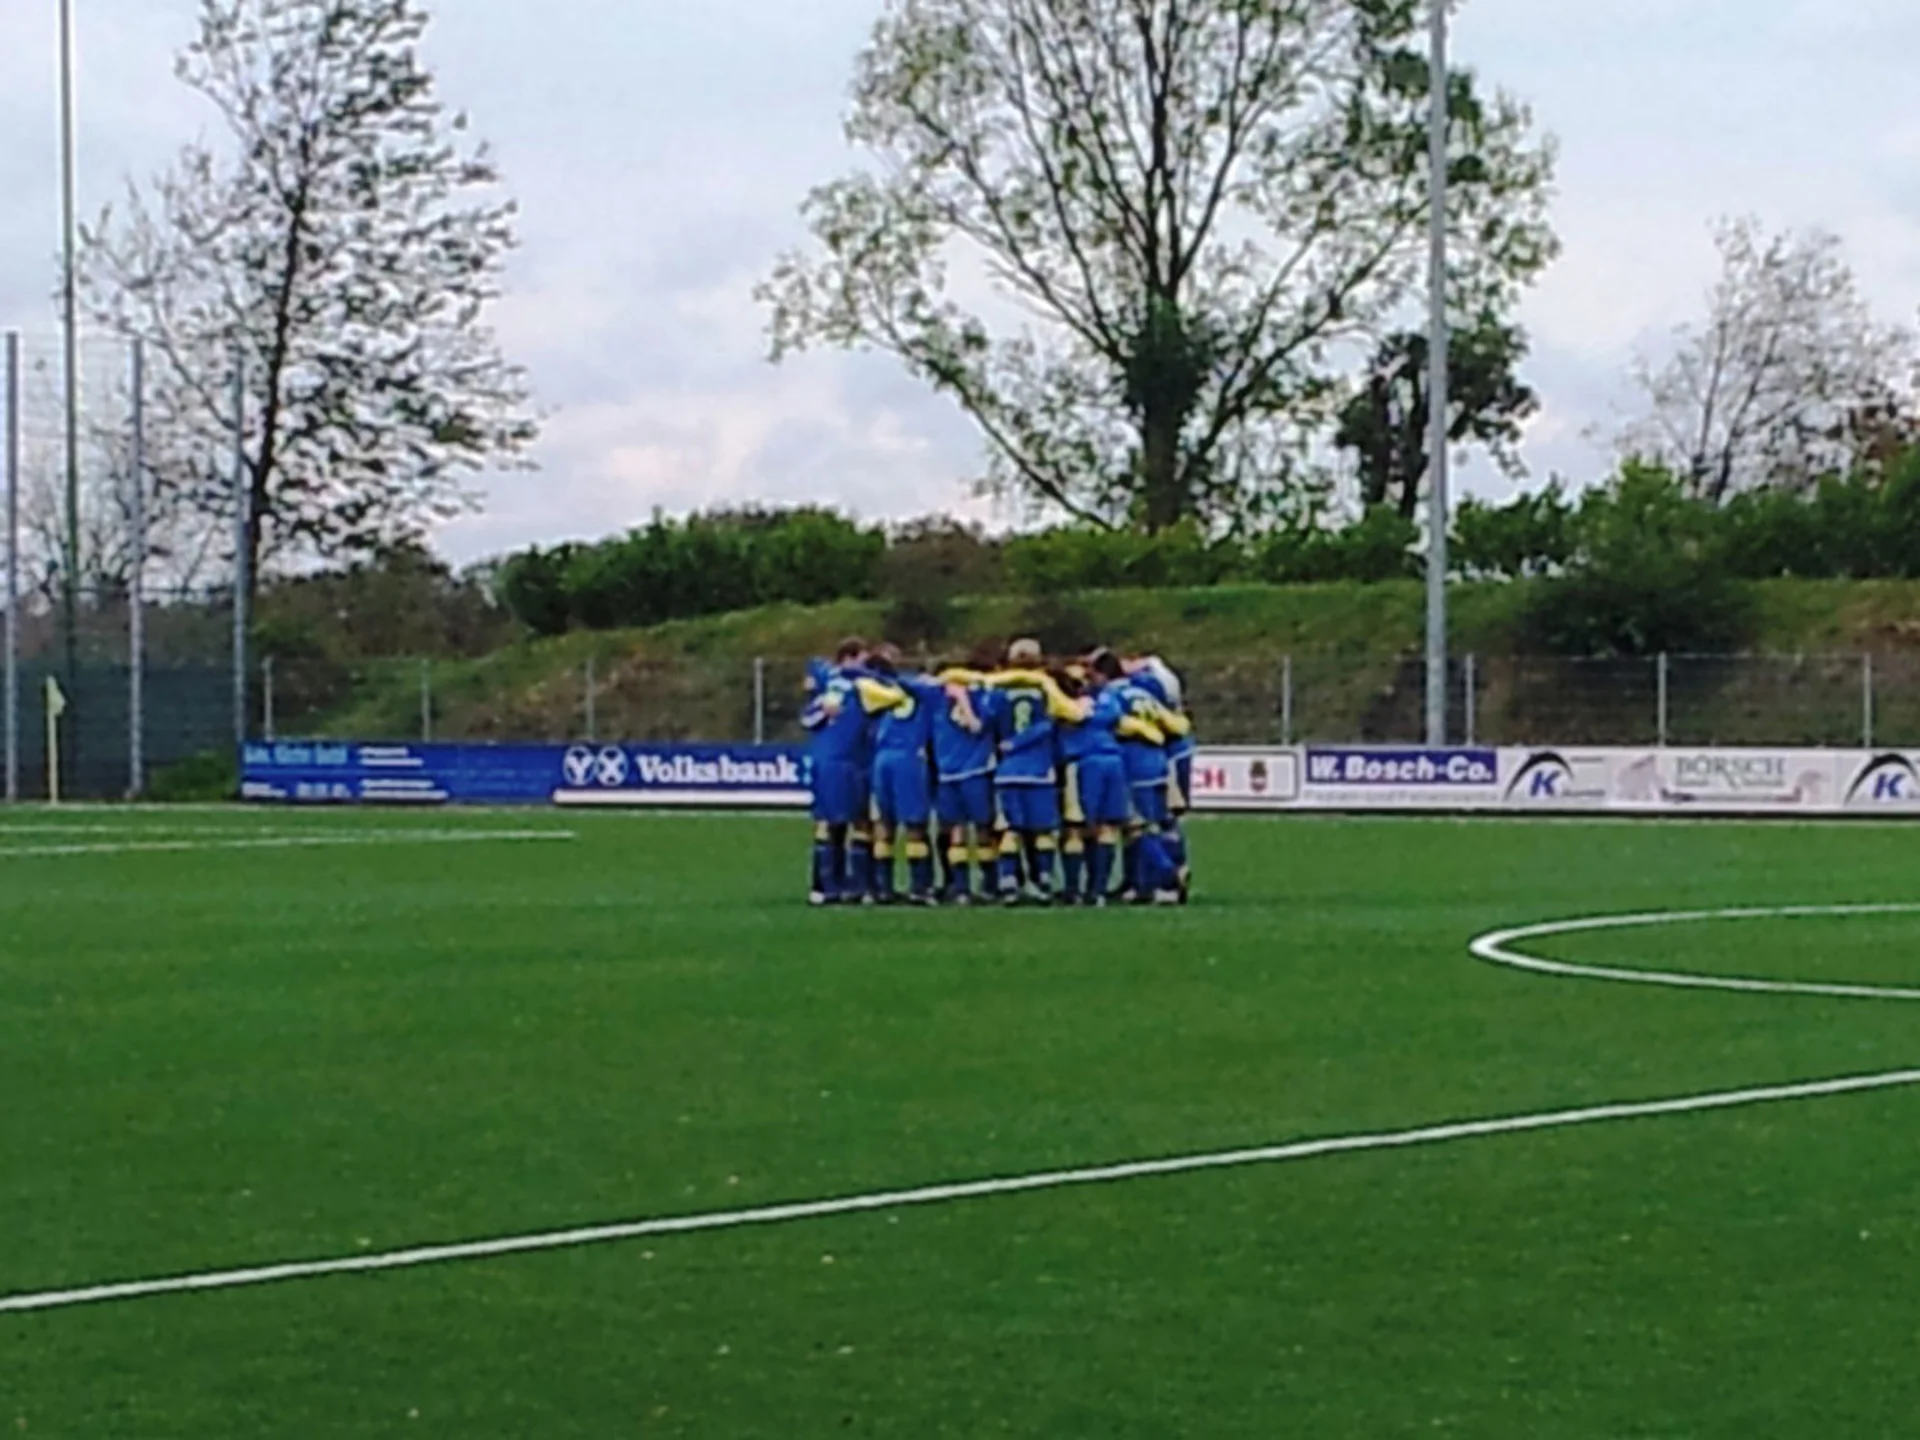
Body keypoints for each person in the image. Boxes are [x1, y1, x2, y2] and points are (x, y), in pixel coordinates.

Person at [983, 639, 1085, 905]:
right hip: (1040, 770)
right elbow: (1068, 715)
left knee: (1010, 830)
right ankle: (1043, 881)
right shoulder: (1046, 688)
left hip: (1007, 770)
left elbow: (984, 719)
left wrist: (1008, 742)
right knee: (1042, 831)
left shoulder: (997, 688)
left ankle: (1008, 883)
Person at [800, 638, 902, 905]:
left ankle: (837, 886)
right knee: (847, 822)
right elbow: (898, 695)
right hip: (843, 761)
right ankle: (843, 886)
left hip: (844, 760)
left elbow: (810, 711)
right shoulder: (857, 685)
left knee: (845, 822)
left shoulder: (835, 683)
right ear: (849, 658)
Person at [1089, 648, 1183, 904]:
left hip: (1135, 765)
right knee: (1149, 825)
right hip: (1158, 763)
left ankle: (1168, 875)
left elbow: (1108, 719)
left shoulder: (1111, 695)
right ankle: (1138, 884)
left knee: (1137, 827)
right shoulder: (1142, 692)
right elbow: (1173, 723)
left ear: (1101, 674)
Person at [865, 646, 941, 905]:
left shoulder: (880, 692)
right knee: (914, 825)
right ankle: (920, 887)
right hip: (907, 759)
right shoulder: (922, 691)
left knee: (884, 825)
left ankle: (882, 889)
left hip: (882, 758)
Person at [1055, 665, 1130, 905]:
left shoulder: (1063, 705)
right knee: (1106, 827)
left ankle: (1074, 889)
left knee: (1075, 827)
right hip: (1112, 761)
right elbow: (1114, 715)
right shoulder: (1107, 699)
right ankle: (1097, 891)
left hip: (1084, 762)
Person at [930, 658, 999, 904]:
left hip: (976, 772)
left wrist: (963, 700)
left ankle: (990, 884)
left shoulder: (984, 698)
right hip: (947, 774)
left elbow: (977, 727)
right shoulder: (937, 702)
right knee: (956, 830)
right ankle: (960, 887)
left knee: (982, 829)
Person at [1127, 654, 1194, 902]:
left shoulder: (1130, 696)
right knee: (1168, 823)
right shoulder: (1163, 698)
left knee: (1142, 825)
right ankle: (1156, 881)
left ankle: (1167, 875)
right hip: (1172, 759)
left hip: (1160, 762)